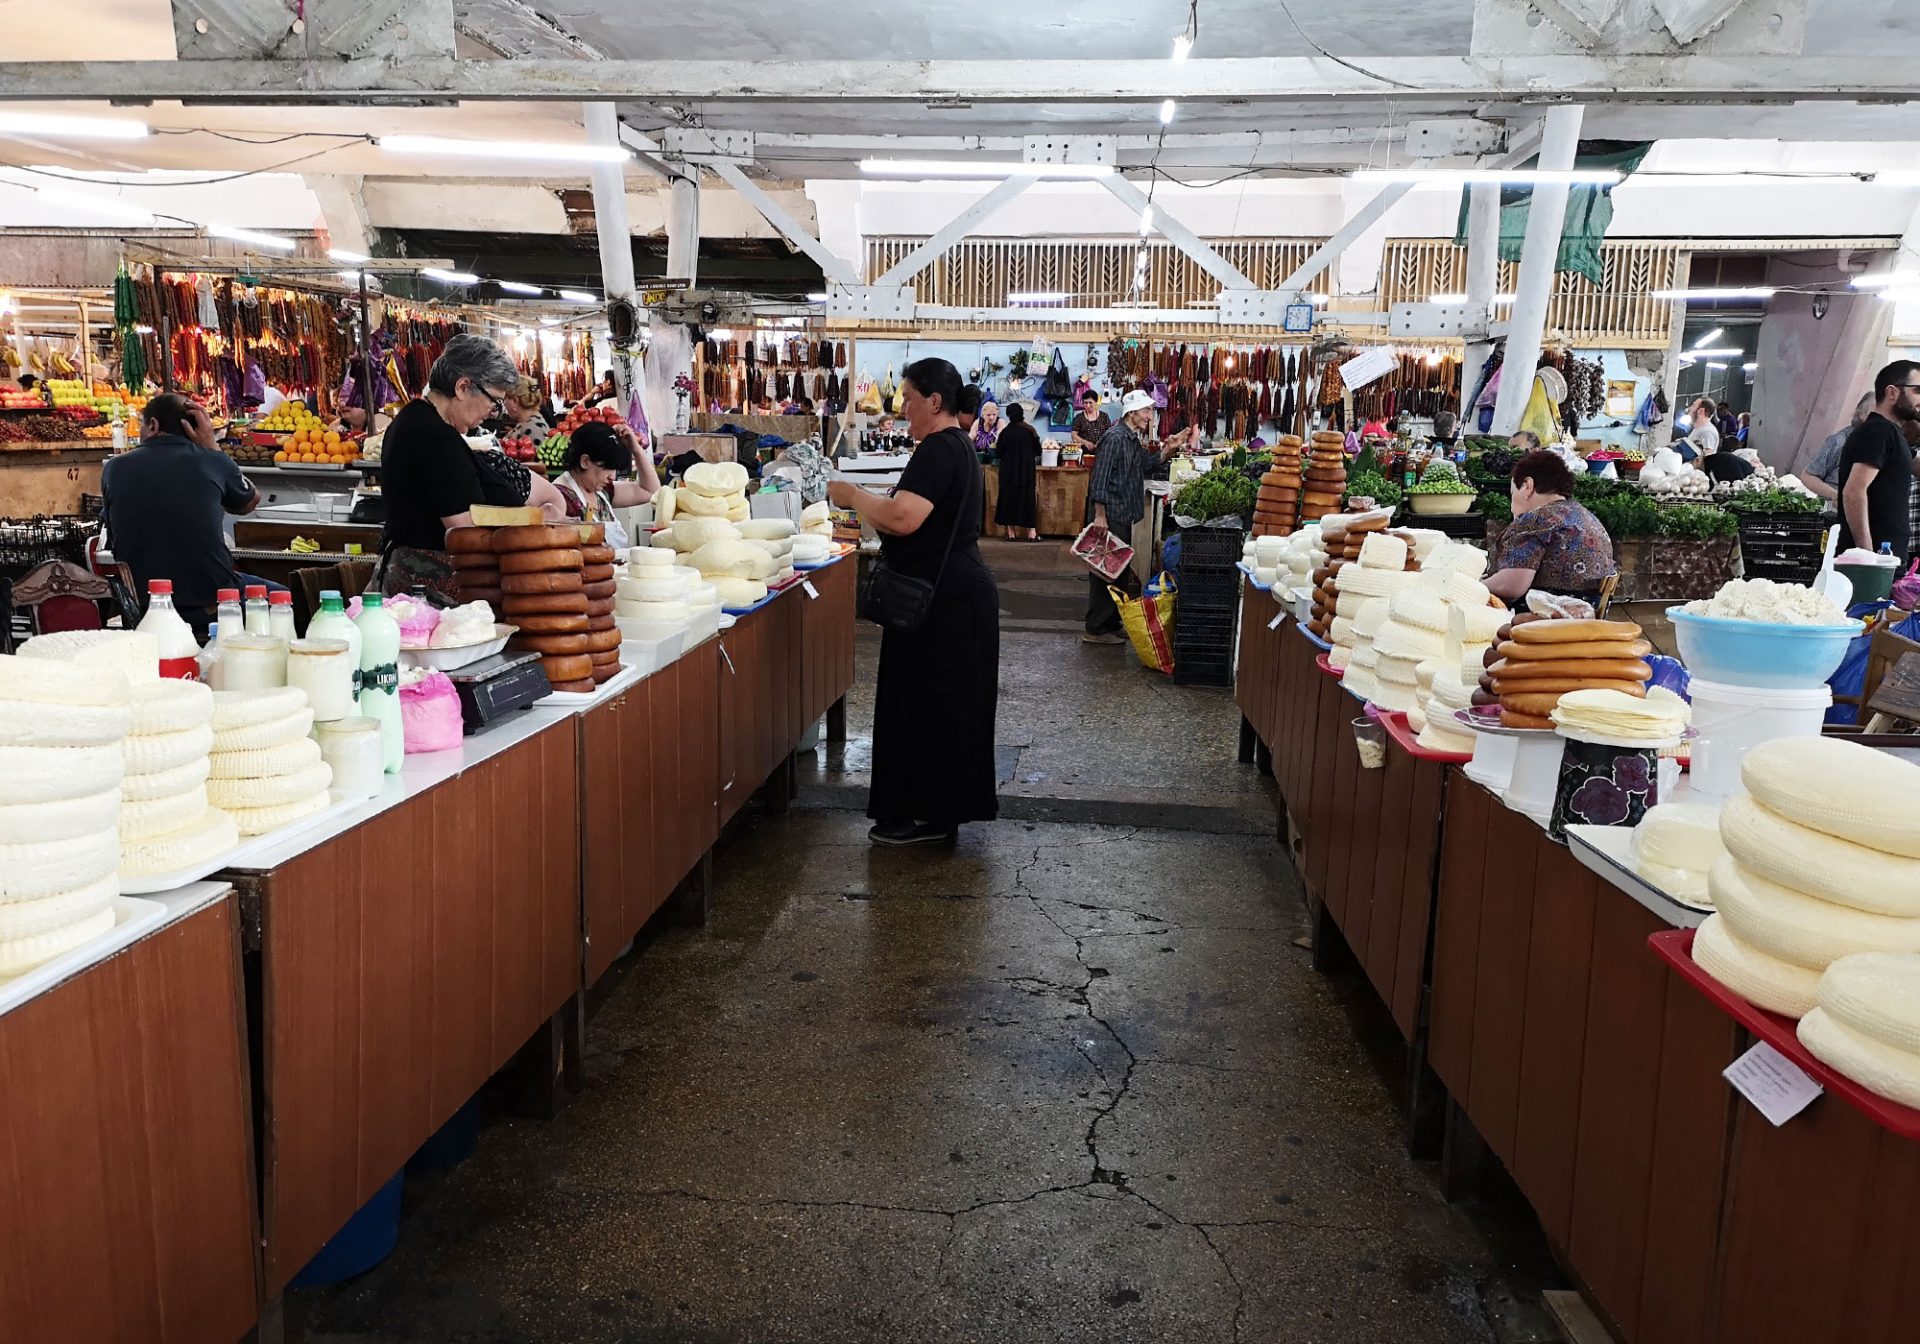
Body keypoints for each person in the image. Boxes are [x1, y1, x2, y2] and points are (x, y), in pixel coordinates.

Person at [826, 357, 999, 847]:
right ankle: (936, 811)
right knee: (939, 706)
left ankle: (927, 815)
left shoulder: (938, 450)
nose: (902, 410)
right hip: (954, 596)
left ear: (935, 401)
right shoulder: (956, 447)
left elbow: (904, 519)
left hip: (944, 604)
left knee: (930, 706)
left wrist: (853, 494)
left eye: (908, 399)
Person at [101, 393, 261, 636]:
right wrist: (213, 448)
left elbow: (113, 538)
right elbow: (248, 502)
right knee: (286, 596)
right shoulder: (212, 461)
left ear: (153, 425)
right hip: (211, 598)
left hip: (143, 603)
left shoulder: (114, 468)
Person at [378, 333, 522, 598]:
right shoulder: (433, 435)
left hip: (416, 581)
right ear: (463, 387)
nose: (493, 412)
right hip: (430, 588)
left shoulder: (419, 421)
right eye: (494, 401)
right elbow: (463, 531)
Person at [1083, 389, 1169, 645]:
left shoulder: (1130, 438)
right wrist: (1100, 516)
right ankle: (1096, 629)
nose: (1149, 417)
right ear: (1132, 413)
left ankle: (1110, 622)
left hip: (1121, 513)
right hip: (1109, 515)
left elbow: (1147, 465)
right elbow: (1099, 478)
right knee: (1104, 572)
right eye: (1146, 411)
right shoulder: (1114, 438)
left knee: (1117, 571)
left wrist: (1170, 448)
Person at [1484, 449, 1618, 604]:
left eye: (1513, 492)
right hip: (1586, 617)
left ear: (1528, 486)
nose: (1511, 503)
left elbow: (1511, 587)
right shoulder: (1583, 515)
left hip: (1550, 618)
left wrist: (1473, 585)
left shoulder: (1537, 520)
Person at [1837, 358, 1920, 560]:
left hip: (1887, 557)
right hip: (1876, 559)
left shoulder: (1893, 434)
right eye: (1917, 390)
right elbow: (1854, 491)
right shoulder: (1879, 431)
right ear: (1892, 392)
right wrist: (1867, 556)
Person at [554, 420, 660, 551]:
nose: (612, 476)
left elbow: (651, 491)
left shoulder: (602, 491)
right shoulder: (560, 498)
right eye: (607, 468)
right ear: (585, 461)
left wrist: (636, 449)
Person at [1804, 393, 1874, 505]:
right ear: (1861, 413)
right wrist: (1833, 495)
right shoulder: (1841, 441)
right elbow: (1808, 476)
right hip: (1829, 511)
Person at [993, 402, 1042, 541]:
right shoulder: (1030, 430)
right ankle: (1031, 533)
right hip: (1026, 472)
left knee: (1009, 500)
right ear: (1022, 414)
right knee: (1027, 500)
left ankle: (1011, 533)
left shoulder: (1005, 432)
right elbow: (1038, 451)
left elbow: (998, 453)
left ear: (1008, 415)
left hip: (1008, 473)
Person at [1680, 398, 1719, 462]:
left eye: (1693, 406)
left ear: (1701, 411)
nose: (1689, 409)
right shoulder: (1699, 429)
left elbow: (1707, 458)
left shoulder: (1707, 432)